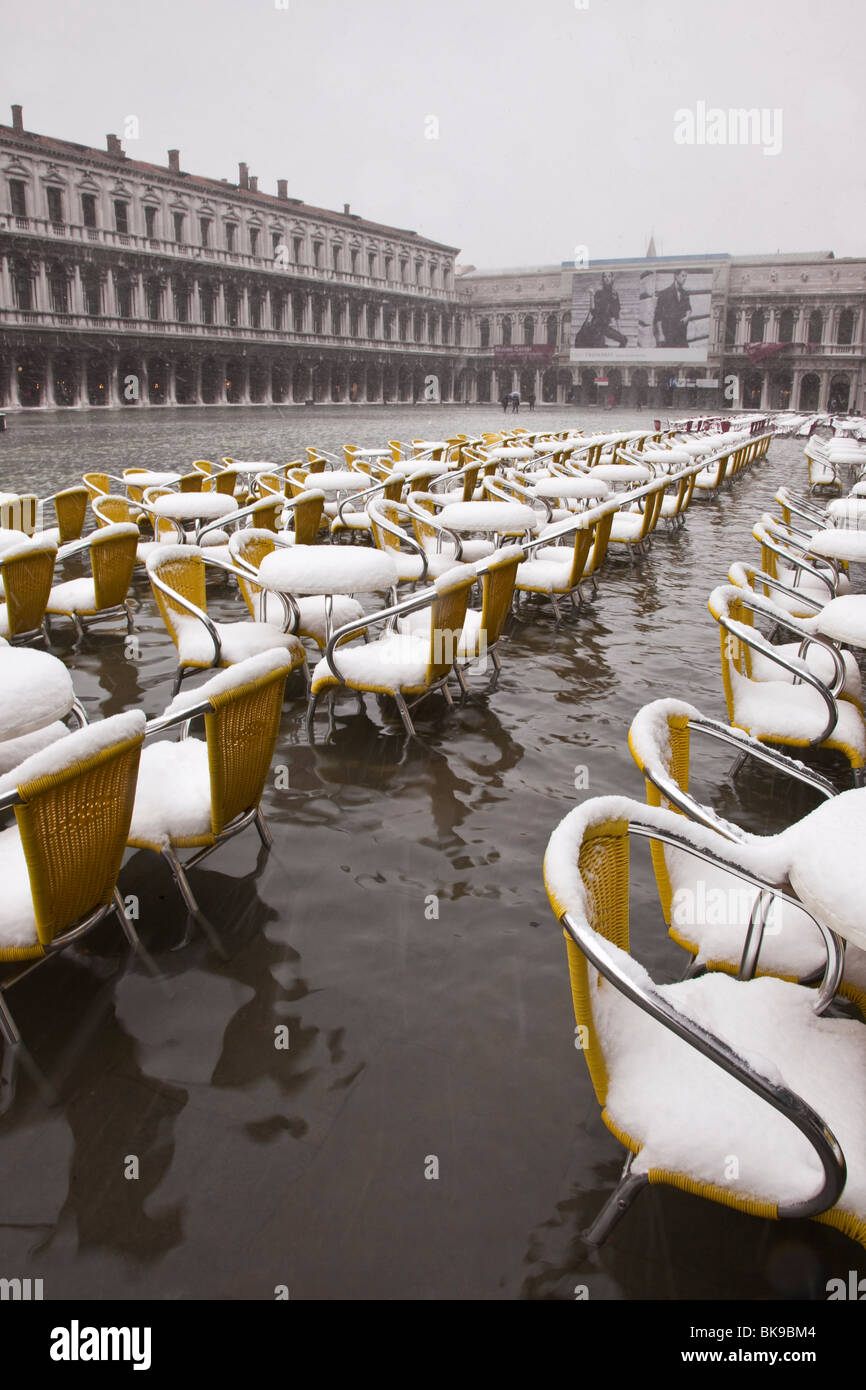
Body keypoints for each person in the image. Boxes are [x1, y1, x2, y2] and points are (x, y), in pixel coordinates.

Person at [574, 273, 628, 348]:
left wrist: (620, 332)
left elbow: (616, 315)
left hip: (605, 326)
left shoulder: (614, 294)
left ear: (612, 278)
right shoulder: (598, 293)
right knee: (598, 346)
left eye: (609, 276)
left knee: (624, 340)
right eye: (605, 276)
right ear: (602, 279)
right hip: (596, 327)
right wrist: (591, 296)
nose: (607, 278)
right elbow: (592, 310)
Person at [653, 270, 691, 348]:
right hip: (669, 336)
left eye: (686, 276)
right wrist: (660, 335)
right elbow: (658, 316)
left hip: (682, 335)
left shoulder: (685, 293)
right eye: (683, 276)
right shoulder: (665, 293)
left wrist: (687, 317)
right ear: (676, 276)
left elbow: (688, 309)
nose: (685, 278)